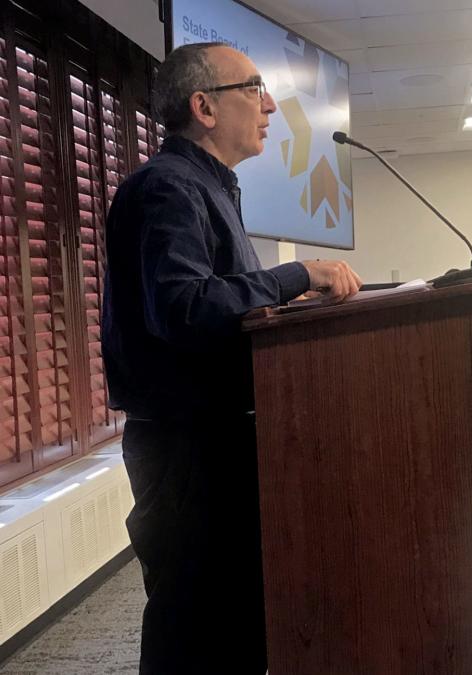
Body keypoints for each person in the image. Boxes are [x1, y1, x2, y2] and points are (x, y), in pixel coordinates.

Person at [102, 42, 361, 674]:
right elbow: (184, 308)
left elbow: (221, 312)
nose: (271, 103)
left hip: (216, 440)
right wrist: (298, 275)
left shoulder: (208, 186)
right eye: (254, 87)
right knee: (194, 627)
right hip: (188, 448)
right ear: (204, 108)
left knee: (233, 619)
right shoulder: (167, 188)